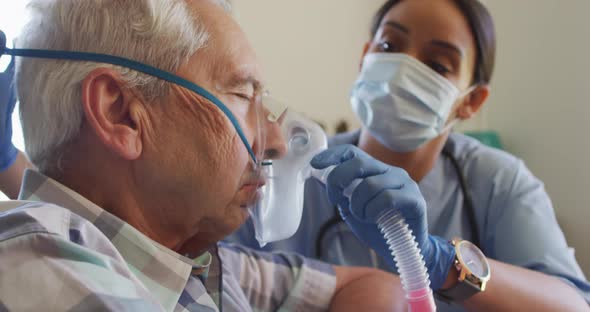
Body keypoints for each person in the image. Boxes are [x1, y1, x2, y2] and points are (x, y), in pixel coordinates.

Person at [0, 0, 413, 310]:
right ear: (121, 114)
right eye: (240, 93)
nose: (277, 141)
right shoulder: (33, 254)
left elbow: (376, 287)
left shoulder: (191, 262)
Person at [228, 0, 590, 311]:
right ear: (364, 58)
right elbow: (216, 271)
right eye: (389, 46)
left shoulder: (496, 182)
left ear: (471, 101)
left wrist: (440, 262)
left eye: (437, 64)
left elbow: (573, 304)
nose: (402, 67)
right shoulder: (295, 169)